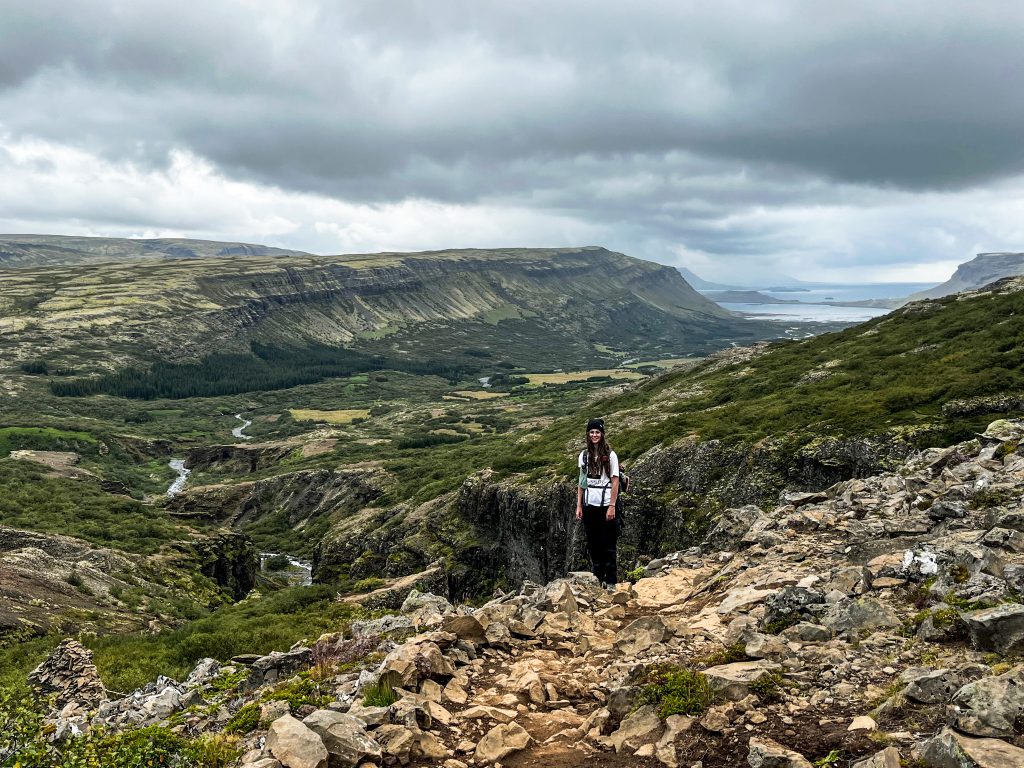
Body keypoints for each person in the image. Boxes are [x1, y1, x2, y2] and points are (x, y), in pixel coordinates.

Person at [576, 417, 619, 589]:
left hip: (606, 505)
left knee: (608, 543)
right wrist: (579, 505)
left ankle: (611, 581)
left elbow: (615, 481)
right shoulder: (584, 456)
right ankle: (597, 578)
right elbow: (581, 481)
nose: (595, 435)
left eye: (597, 432)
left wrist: (612, 506)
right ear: (588, 434)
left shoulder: (610, 455)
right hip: (589, 506)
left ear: (602, 434)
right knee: (593, 544)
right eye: (592, 432)